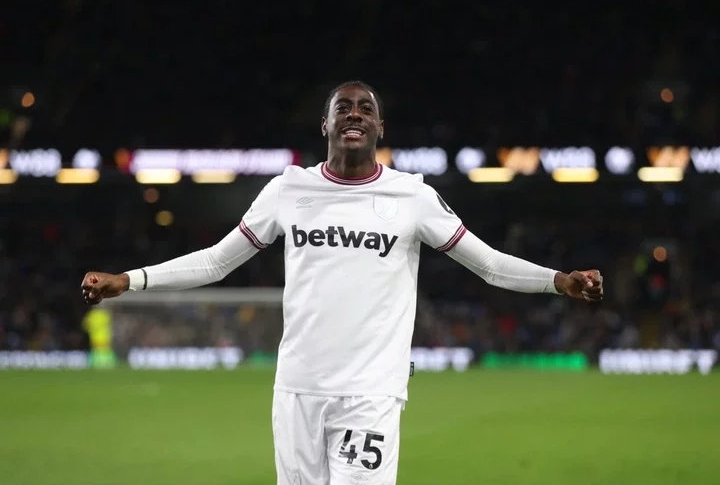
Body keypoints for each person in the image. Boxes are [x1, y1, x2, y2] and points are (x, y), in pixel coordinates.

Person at [81, 81, 604, 485]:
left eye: (366, 108)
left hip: (370, 392)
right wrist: (131, 280)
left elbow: (488, 264)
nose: (354, 113)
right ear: (325, 124)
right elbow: (218, 262)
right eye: (343, 107)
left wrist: (559, 281)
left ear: (380, 128)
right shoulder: (289, 189)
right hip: (297, 390)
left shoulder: (412, 197)